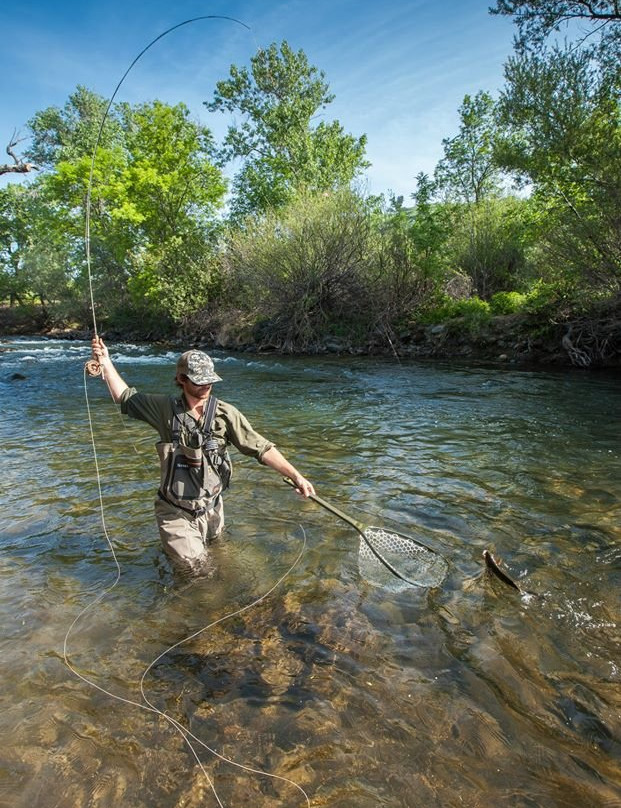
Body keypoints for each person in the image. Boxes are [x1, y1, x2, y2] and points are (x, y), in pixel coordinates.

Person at [91, 337, 315, 573]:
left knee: (221, 562)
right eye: (199, 381)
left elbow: (261, 447)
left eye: (210, 380)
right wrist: (105, 361)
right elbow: (124, 397)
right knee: (198, 574)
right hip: (175, 512)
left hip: (213, 508)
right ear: (181, 379)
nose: (206, 386)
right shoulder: (163, 408)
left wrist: (296, 476)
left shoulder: (226, 413)